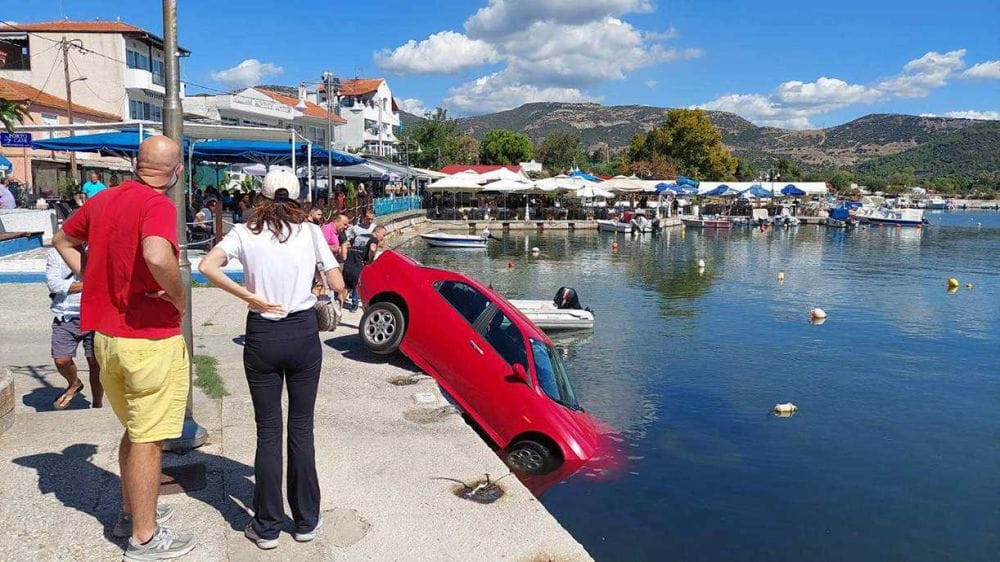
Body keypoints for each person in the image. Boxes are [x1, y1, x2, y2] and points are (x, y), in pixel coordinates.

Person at [52, 135, 197, 560]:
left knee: (135, 432)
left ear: (136, 163)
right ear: (176, 173)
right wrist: (177, 296)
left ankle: (131, 513)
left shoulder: (103, 200)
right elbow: (156, 254)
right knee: (149, 440)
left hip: (107, 341)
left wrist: (94, 276)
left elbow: (62, 240)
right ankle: (145, 538)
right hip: (148, 342)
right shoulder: (159, 205)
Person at [198, 170, 345, 551]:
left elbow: (207, 266)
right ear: (297, 196)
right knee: (301, 428)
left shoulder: (244, 232)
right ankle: (306, 521)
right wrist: (320, 285)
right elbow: (338, 282)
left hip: (262, 334)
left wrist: (249, 296)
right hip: (301, 335)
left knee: (268, 431)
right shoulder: (311, 232)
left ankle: (266, 526)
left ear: (259, 195)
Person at [46, 247, 102, 409]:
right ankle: (74, 383)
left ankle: (97, 404)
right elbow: (55, 285)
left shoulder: (98, 249)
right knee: (61, 359)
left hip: (95, 315)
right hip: (66, 315)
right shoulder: (56, 253)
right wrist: (91, 284)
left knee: (95, 363)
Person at [342, 225, 385, 312]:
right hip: (359, 265)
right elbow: (372, 249)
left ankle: (338, 306)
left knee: (346, 287)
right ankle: (356, 305)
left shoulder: (359, 236)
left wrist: (344, 257)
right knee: (358, 285)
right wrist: (369, 260)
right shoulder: (374, 239)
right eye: (383, 235)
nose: (383, 237)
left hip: (348, 265)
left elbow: (345, 245)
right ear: (378, 232)